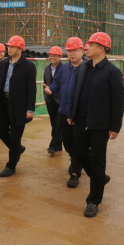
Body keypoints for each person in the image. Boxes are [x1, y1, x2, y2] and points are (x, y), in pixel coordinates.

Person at [68, 32, 124, 218]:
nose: (87, 48)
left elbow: (118, 102)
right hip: (81, 120)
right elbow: (75, 92)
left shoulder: (112, 72)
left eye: (91, 45)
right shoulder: (84, 67)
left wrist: (115, 126)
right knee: (77, 153)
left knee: (98, 161)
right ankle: (100, 179)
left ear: (101, 48)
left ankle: (93, 201)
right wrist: (72, 114)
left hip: (100, 124)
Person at [44, 38, 88, 189]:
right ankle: (78, 159)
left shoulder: (88, 68)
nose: (72, 53)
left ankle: (75, 172)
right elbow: (57, 83)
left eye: (75, 50)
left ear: (82, 51)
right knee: (66, 141)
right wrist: (51, 89)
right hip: (63, 111)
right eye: (69, 51)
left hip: (80, 114)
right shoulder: (64, 68)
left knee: (78, 142)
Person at [0, 35, 37, 178]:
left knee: (15, 136)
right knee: (0, 130)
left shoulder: (29, 66)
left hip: (19, 106)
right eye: (9, 46)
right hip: (4, 102)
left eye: (12, 46)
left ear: (20, 48)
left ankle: (11, 165)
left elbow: (32, 89)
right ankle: (17, 149)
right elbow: (0, 83)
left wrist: (30, 109)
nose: (9, 48)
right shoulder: (5, 63)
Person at [43, 46, 64, 156]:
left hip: (60, 100)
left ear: (60, 56)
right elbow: (45, 83)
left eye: (55, 55)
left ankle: (53, 146)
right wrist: (45, 97)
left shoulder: (64, 68)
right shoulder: (47, 69)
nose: (52, 57)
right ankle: (59, 145)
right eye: (51, 55)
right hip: (50, 100)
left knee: (58, 124)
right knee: (53, 123)